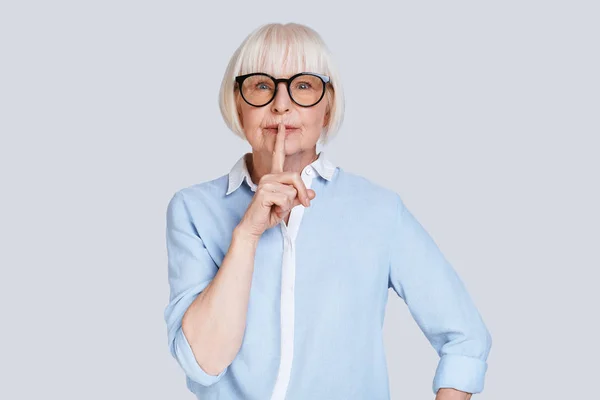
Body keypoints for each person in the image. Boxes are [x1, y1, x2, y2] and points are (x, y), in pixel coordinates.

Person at [163, 22, 492, 400]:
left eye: (303, 85)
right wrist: (247, 233)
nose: (281, 104)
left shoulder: (378, 210)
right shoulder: (193, 209)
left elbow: (466, 339)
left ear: (328, 105)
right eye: (261, 85)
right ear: (237, 103)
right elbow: (203, 362)